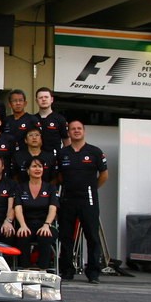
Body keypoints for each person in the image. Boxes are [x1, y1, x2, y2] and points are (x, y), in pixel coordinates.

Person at [56, 119, 108, 283]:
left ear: (84, 131)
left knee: (92, 236)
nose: (76, 131)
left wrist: (91, 189)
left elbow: (104, 175)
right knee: (65, 236)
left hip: (88, 199)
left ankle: (93, 272)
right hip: (67, 198)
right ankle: (67, 270)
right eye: (73, 129)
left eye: (79, 128)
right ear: (69, 133)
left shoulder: (95, 152)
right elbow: (58, 177)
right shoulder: (63, 153)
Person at [15, 156, 59, 271]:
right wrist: (23, 225)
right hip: (27, 223)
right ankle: (25, 268)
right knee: (23, 235)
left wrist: (46, 225)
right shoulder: (20, 187)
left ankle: (43, 269)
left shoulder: (50, 187)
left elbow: (53, 208)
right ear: (28, 170)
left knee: (45, 235)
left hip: (45, 224)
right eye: (34, 166)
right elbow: (18, 208)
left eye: (40, 166)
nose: (37, 169)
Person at [34, 87, 69, 153]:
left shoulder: (60, 119)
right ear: (36, 101)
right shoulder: (31, 119)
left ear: (52, 99)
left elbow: (66, 142)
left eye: (46, 97)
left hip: (54, 159)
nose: (43, 99)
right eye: (41, 97)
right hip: (35, 159)